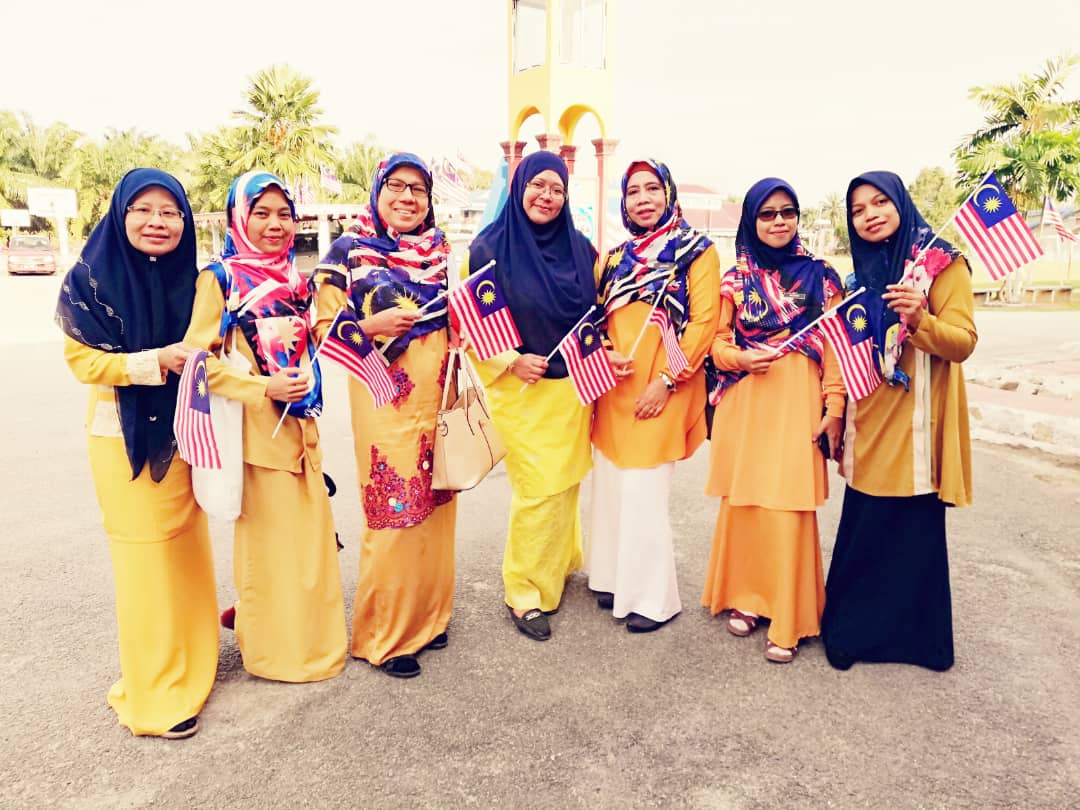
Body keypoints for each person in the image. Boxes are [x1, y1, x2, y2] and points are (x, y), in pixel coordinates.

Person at [57, 168, 216, 739]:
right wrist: (153, 362)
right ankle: (155, 695)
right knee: (145, 563)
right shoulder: (88, 281)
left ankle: (193, 664)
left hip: (183, 433)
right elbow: (83, 362)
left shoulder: (194, 282)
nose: (157, 222)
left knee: (186, 549)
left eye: (170, 212)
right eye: (143, 210)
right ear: (120, 215)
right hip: (121, 439)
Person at [185, 170, 347, 683]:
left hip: (302, 430)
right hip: (257, 435)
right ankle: (275, 652)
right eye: (262, 213)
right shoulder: (221, 279)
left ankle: (313, 641)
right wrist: (263, 388)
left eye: (284, 214)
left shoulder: (298, 281)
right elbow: (196, 362)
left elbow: (315, 345)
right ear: (240, 217)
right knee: (270, 548)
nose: (275, 225)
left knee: (310, 545)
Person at [821, 171, 976, 672]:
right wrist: (835, 411)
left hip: (917, 423)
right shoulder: (856, 279)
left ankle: (919, 644)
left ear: (900, 204)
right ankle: (851, 636)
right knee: (865, 529)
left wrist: (920, 319)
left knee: (912, 534)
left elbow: (963, 343)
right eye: (858, 210)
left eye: (880, 202)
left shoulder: (942, 264)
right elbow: (844, 352)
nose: (869, 215)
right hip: (869, 420)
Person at [311, 153, 455, 678]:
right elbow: (321, 328)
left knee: (436, 510)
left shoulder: (440, 251)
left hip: (437, 399)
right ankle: (385, 637)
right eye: (396, 185)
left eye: (418, 189)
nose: (407, 197)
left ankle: (429, 619)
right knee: (394, 514)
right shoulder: (349, 252)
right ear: (378, 191)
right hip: (385, 402)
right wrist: (372, 327)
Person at [701, 178, 845, 662]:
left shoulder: (822, 276)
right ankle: (748, 596)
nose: (779, 221)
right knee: (748, 502)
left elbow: (836, 350)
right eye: (767, 214)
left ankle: (788, 614)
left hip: (797, 402)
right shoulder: (735, 279)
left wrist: (834, 408)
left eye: (787, 212)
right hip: (746, 400)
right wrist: (739, 359)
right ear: (751, 220)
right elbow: (717, 344)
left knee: (787, 503)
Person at [466, 151, 597, 641]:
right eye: (538, 185)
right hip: (522, 388)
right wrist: (510, 360)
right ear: (519, 186)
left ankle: (560, 563)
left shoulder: (581, 250)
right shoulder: (487, 249)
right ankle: (524, 592)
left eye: (557, 188)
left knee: (566, 482)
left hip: (573, 388)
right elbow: (471, 322)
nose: (547, 196)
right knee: (539, 488)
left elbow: (595, 317)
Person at [590, 159, 720, 633]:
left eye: (652, 189)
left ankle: (651, 598)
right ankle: (610, 578)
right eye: (633, 191)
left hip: (665, 383)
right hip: (615, 384)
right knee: (610, 483)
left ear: (668, 193)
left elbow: (703, 323)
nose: (643, 199)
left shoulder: (695, 251)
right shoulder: (613, 257)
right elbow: (595, 316)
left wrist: (666, 380)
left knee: (643, 490)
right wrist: (603, 350)